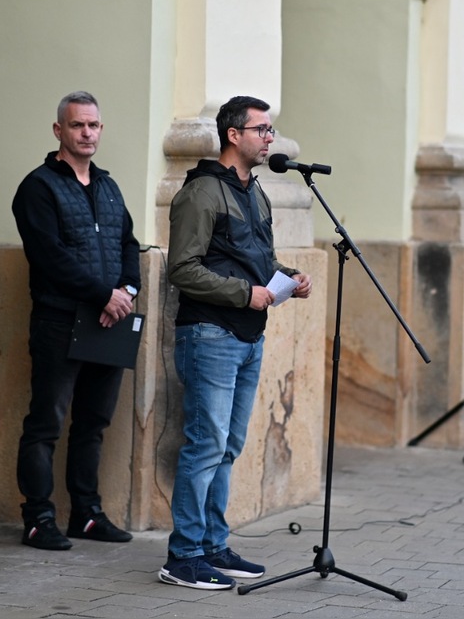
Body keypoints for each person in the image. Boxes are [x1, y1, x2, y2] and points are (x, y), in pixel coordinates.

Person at [160, 96, 314, 591]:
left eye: (271, 131)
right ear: (233, 135)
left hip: (248, 336)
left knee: (227, 446)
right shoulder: (201, 193)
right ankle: (182, 557)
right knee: (205, 446)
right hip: (209, 333)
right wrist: (245, 294)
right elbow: (181, 269)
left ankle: (212, 544)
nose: (270, 138)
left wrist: (288, 277)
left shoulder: (255, 192)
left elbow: (255, 257)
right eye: (262, 130)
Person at [11, 91, 140, 551]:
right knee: (46, 423)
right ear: (59, 131)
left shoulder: (108, 186)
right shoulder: (38, 187)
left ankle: (85, 513)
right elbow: (49, 257)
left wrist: (126, 291)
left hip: (109, 322)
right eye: (78, 125)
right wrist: (102, 293)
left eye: (94, 126)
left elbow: (129, 242)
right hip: (60, 321)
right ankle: (37, 518)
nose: (87, 133)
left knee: (92, 424)